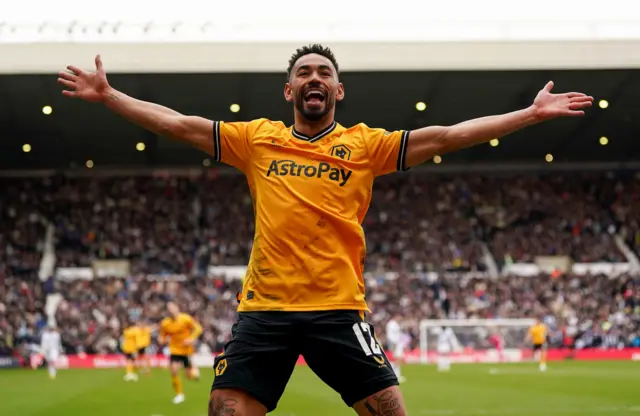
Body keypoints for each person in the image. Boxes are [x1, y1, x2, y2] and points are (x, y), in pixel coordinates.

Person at [58, 44, 592, 416]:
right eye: (305, 73)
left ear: (339, 89)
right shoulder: (256, 139)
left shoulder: (366, 145)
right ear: (288, 89)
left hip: (338, 310)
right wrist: (109, 96)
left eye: (324, 73)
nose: (315, 78)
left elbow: (447, 136)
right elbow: (176, 124)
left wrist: (529, 115)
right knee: (223, 410)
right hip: (264, 311)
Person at [159, 302, 203, 404]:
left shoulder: (185, 318)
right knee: (174, 370)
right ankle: (179, 394)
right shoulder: (165, 323)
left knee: (188, 375)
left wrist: (191, 338)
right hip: (174, 350)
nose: (170, 310)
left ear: (177, 308)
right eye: (168, 308)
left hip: (186, 350)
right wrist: (162, 340)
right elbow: (162, 336)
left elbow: (198, 328)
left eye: (172, 308)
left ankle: (193, 372)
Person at [385, 315, 407, 383]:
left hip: (397, 343)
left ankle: (397, 375)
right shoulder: (391, 324)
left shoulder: (395, 324)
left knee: (397, 359)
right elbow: (390, 335)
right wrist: (393, 343)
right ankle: (396, 375)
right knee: (395, 359)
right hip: (394, 343)